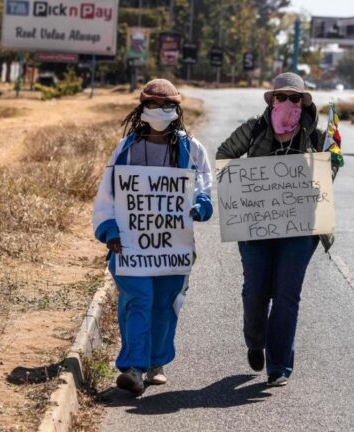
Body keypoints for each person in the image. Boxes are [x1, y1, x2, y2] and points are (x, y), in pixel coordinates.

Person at [216, 72, 339, 386]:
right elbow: (224, 155)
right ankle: (256, 343)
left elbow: (331, 168)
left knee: (287, 295)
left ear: (303, 102)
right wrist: (243, 189)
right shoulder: (254, 129)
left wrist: (328, 164)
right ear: (271, 101)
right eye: (281, 97)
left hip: (300, 229)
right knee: (255, 292)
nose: (287, 102)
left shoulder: (315, 136)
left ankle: (279, 366)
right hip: (256, 226)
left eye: (294, 97)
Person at [92, 79, 213, 396]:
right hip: (130, 246)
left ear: (177, 109)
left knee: (164, 303)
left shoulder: (190, 149)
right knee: (138, 301)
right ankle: (133, 368)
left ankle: (156, 362)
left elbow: (204, 186)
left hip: (173, 248)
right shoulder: (126, 149)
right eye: (153, 105)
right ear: (141, 108)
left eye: (166, 105)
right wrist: (109, 230)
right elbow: (107, 193)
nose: (159, 111)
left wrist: (201, 205)